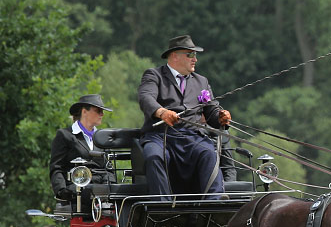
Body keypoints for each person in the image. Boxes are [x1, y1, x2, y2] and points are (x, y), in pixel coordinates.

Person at [137, 34, 232, 199]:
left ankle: (214, 203)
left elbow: (211, 112)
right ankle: (163, 205)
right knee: (154, 156)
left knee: (209, 153)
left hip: (192, 136)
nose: (195, 59)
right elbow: (146, 98)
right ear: (174, 56)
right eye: (190, 54)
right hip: (161, 135)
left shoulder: (201, 81)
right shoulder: (154, 75)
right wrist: (162, 112)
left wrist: (221, 117)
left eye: (195, 55)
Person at [49, 94, 117, 203]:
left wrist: (110, 186)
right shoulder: (65, 135)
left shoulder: (102, 138)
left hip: (102, 194)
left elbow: (109, 168)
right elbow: (56, 167)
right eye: (98, 111)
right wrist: (62, 191)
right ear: (84, 111)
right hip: (76, 193)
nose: (102, 114)